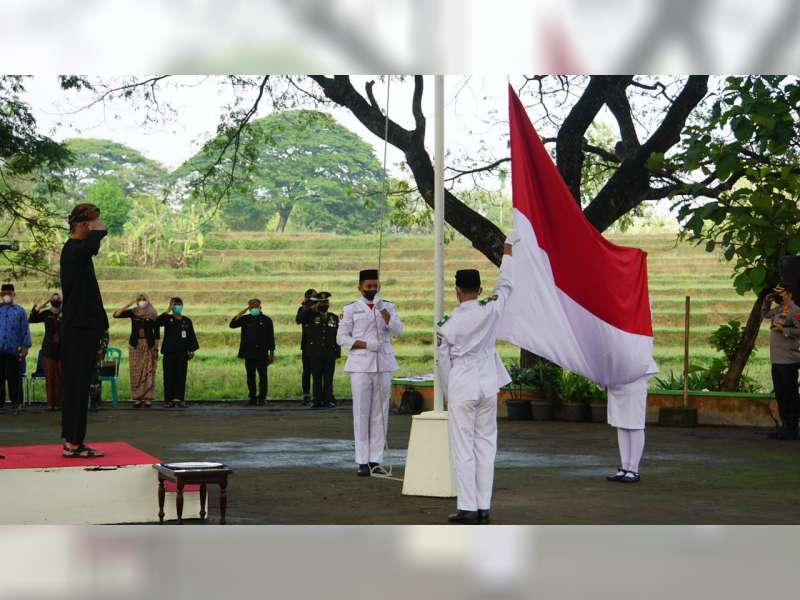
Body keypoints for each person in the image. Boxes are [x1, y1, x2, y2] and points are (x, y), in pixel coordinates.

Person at [436, 240, 514, 525]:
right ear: (480, 290)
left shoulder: (447, 325)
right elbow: (505, 285)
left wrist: (447, 393)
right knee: (486, 446)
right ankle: (483, 505)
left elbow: (444, 363)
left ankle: (467, 507)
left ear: (457, 291)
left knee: (463, 448)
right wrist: (507, 255)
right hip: (487, 384)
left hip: (462, 385)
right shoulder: (490, 309)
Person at [337, 269, 404, 477]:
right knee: (361, 412)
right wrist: (365, 344)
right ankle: (362, 461)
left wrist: (384, 311)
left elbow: (399, 331)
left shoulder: (388, 306)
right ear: (360, 288)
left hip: (383, 363)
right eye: (368, 287)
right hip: (360, 364)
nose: (372, 290)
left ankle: (376, 459)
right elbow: (341, 338)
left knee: (380, 413)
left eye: (375, 286)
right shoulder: (351, 309)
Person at [60, 203, 108, 458]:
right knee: (76, 386)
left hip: (84, 328)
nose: (98, 227)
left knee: (80, 386)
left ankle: (74, 440)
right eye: (94, 223)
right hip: (79, 329)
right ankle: (73, 442)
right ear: (83, 225)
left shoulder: (76, 251)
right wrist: (99, 228)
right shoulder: (75, 250)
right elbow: (94, 243)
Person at [762, 282, 800, 440]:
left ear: (789, 294)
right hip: (777, 360)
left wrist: (784, 330)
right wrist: (767, 301)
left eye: (781, 292)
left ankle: (792, 429)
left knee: (790, 395)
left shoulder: (796, 311)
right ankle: (785, 427)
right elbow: (765, 315)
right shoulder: (778, 309)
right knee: (781, 395)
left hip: (788, 361)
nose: (779, 295)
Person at [113, 293, 160, 408]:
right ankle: (137, 398)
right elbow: (116, 315)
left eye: (144, 299)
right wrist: (128, 304)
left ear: (148, 300)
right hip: (135, 345)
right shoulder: (133, 312)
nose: (142, 301)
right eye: (140, 299)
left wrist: (156, 348)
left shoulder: (153, 313)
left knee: (148, 371)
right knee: (136, 372)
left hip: (148, 345)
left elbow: (157, 334)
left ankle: (148, 398)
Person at [297, 292, 340, 408]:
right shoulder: (310, 316)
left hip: (330, 352)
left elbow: (337, 335)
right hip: (315, 352)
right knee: (316, 377)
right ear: (317, 303)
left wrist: (337, 352)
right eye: (321, 302)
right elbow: (299, 319)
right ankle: (316, 400)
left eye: (326, 302)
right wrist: (310, 307)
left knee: (328, 378)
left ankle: (328, 400)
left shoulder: (334, 317)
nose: (324, 304)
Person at [230, 298, 275, 406]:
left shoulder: (267, 320)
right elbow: (232, 324)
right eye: (252, 307)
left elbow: (271, 338)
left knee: (263, 377)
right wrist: (243, 311)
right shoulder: (245, 319)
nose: (255, 308)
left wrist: (271, 354)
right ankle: (252, 398)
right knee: (250, 377)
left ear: (260, 307)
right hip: (248, 353)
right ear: (249, 308)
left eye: (256, 306)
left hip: (262, 353)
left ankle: (262, 398)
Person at [156, 297, 198, 408]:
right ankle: (168, 400)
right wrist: (168, 309)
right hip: (169, 352)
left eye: (179, 304)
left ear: (182, 306)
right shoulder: (167, 319)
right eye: (175, 305)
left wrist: (191, 350)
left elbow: (191, 336)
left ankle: (180, 399)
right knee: (168, 377)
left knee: (181, 376)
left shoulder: (186, 321)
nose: (177, 307)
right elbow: (157, 322)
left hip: (182, 353)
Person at [29, 292, 63, 410]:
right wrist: (45, 302)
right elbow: (32, 318)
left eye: (58, 297)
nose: (56, 299)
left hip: (63, 349)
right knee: (49, 378)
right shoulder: (47, 314)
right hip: (48, 349)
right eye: (53, 298)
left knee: (60, 378)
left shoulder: (66, 312)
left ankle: (59, 403)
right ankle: (50, 404)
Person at [0, 283, 32, 411]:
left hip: (14, 350)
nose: (7, 295)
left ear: (14, 294)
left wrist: (25, 347)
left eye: (9, 293)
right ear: (1, 295)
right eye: (4, 293)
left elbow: (25, 330)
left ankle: (16, 403)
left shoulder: (19, 311)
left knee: (14, 378)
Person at [296, 288, 317, 405]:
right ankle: (306, 396)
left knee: (318, 372)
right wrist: (307, 308)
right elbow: (299, 320)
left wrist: (315, 307)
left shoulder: (320, 308)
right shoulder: (303, 309)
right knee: (307, 372)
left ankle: (320, 395)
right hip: (307, 346)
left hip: (319, 346)